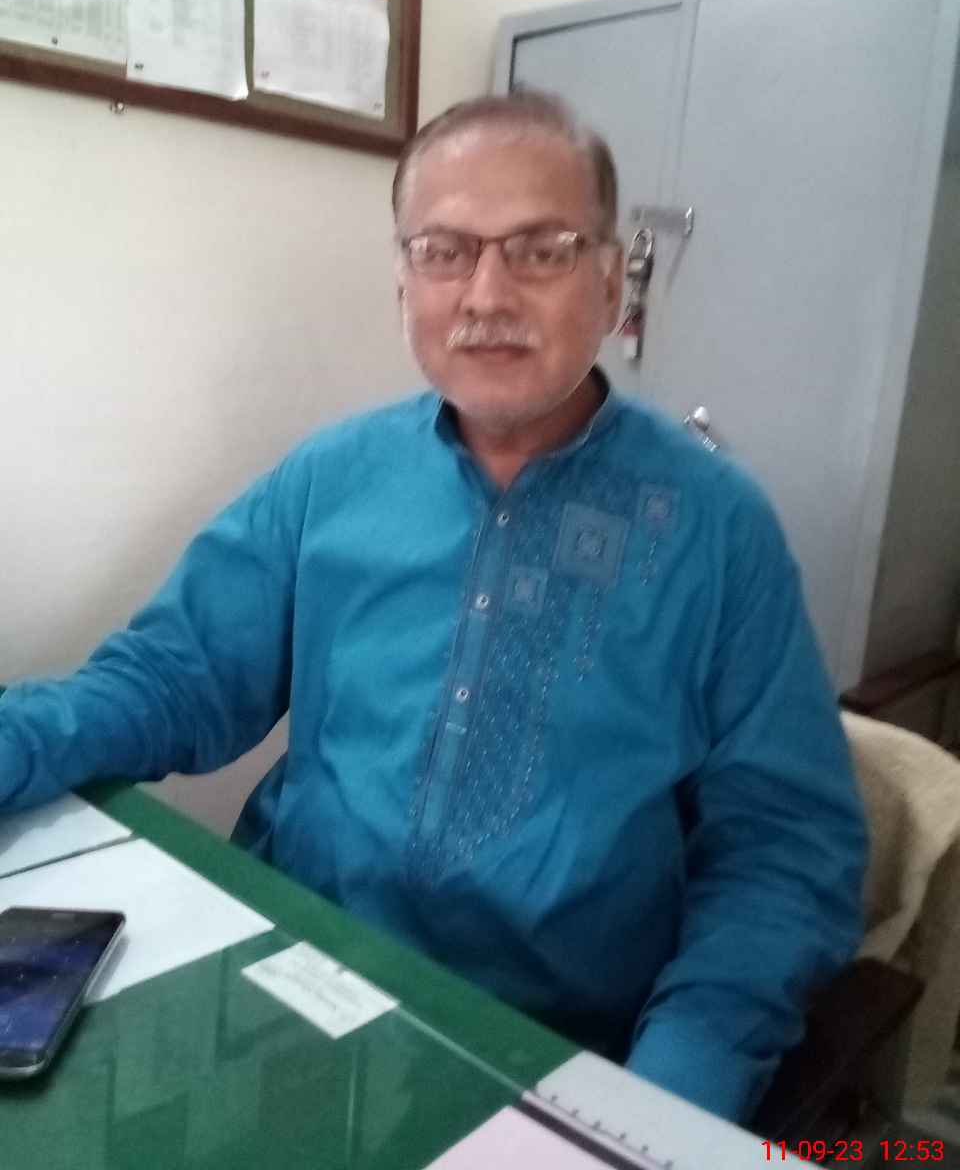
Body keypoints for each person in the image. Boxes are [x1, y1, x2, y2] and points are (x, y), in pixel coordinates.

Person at [0, 91, 866, 1124]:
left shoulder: (718, 527)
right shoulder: (332, 476)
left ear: (609, 281)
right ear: (404, 281)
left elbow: (784, 849)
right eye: (445, 251)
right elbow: (174, 677)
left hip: (548, 1049)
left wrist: (661, 1107)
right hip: (289, 974)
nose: (486, 295)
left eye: (540, 250)